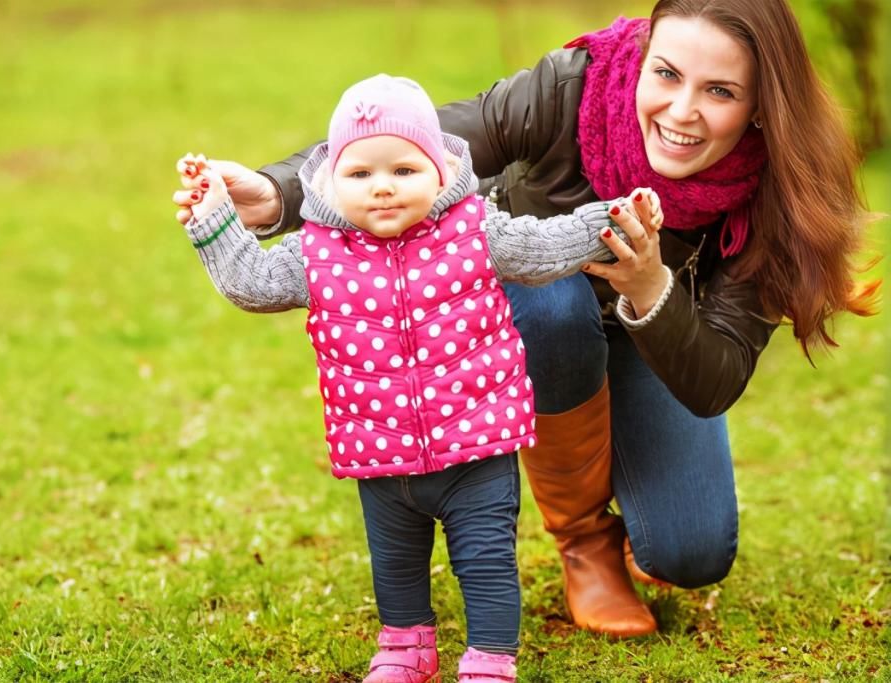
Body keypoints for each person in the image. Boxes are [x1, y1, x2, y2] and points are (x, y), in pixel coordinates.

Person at [173, 0, 879, 639]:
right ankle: (584, 540)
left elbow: (715, 378)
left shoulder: (778, 194)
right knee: (549, 299)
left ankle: (642, 499)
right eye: (666, 74)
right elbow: (427, 142)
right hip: (536, 313)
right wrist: (275, 193)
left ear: (761, 106)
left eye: (719, 91)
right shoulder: (576, 86)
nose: (682, 110)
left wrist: (652, 285)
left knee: (691, 553)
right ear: (642, 57)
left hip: (657, 333)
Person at [173, 74, 658, 681]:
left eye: (404, 170)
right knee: (395, 564)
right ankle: (406, 646)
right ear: (330, 182)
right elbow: (250, 281)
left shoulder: (476, 230)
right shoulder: (316, 253)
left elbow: (543, 247)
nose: (382, 189)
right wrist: (213, 215)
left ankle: (489, 658)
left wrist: (613, 219)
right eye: (361, 175)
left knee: (484, 563)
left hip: (476, 450)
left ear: (440, 170)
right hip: (379, 453)